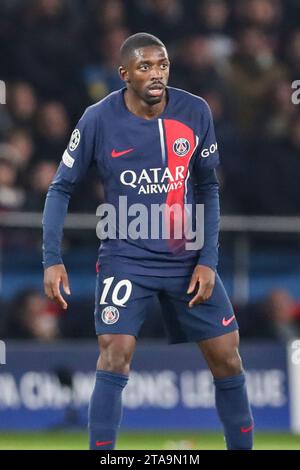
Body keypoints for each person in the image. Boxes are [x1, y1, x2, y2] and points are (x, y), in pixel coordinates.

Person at [42, 33, 253, 450]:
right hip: (126, 256)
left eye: (162, 65)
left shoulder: (196, 111)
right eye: (145, 67)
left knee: (228, 356)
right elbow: (59, 188)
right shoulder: (97, 120)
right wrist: (52, 258)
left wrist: (208, 260)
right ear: (124, 74)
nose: (156, 74)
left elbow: (209, 188)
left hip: (186, 258)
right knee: (114, 351)